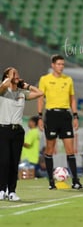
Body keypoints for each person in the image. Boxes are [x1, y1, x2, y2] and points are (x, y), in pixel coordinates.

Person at [37, 54, 83, 190]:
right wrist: (40, 117)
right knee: (50, 149)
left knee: (70, 149)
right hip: (51, 115)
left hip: (65, 116)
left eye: (63, 64)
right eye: (58, 64)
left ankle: (76, 181)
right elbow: (40, 99)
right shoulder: (44, 79)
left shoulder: (68, 80)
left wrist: (75, 116)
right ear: (52, 65)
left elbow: (72, 99)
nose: (61, 67)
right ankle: (51, 182)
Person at [0, 67, 43, 201]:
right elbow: (4, 86)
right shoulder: (3, 91)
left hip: (17, 131)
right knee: (4, 161)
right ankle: (2, 189)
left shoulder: (21, 93)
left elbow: (40, 93)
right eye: (14, 73)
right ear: (7, 76)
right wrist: (10, 77)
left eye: (17, 73)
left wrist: (26, 85)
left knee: (14, 162)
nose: (17, 75)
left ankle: (12, 191)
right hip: (3, 129)